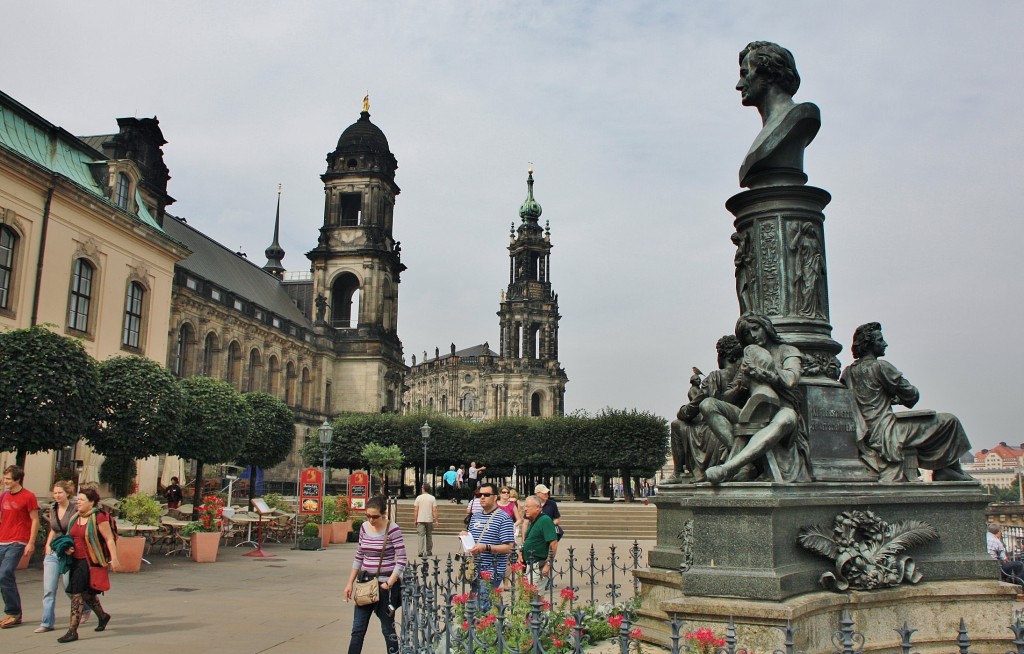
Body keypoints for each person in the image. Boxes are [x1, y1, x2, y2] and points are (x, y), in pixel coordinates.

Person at [840, 322, 972, 482]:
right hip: (886, 431)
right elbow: (912, 395)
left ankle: (947, 470)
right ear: (869, 344)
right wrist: (894, 396)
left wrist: (888, 396)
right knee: (950, 421)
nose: (885, 344)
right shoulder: (881, 367)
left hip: (865, 432)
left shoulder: (848, 372)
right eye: (880, 340)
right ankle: (948, 469)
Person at [701, 313, 811, 484]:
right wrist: (740, 386)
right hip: (753, 410)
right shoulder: (748, 357)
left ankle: (729, 467)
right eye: (746, 333)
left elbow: (791, 379)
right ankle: (749, 463)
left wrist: (767, 373)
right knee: (708, 405)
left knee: (786, 419)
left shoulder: (787, 351)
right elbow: (728, 397)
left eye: (755, 329)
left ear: (766, 327)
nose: (752, 335)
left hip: (782, 409)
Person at [735, 41, 821, 188]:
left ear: (769, 74)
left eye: (745, 74)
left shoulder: (803, 114)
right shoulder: (766, 134)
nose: (739, 85)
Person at [668, 335, 746, 483]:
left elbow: (691, 410)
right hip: (742, 424)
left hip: (714, 431)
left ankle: (678, 473)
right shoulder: (745, 374)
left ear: (723, 355)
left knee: (676, 425)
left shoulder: (714, 377)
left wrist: (681, 411)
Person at [344, 496, 406, 654]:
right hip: (365, 584)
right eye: (368, 516)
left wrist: (389, 583)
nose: (371, 520)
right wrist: (349, 583)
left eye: (375, 516)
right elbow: (359, 555)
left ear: (384, 513)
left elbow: (402, 559)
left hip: (385, 586)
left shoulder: (392, 529)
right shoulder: (364, 527)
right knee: (357, 629)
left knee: (388, 630)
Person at [60, 488, 117, 643]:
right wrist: (68, 548)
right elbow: (70, 537)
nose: (78, 502)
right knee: (87, 594)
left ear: (91, 502)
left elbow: (109, 539)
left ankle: (72, 631)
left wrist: (114, 559)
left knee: (76, 594)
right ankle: (103, 616)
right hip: (75, 560)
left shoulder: (98, 517)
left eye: (82, 500)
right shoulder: (75, 517)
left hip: (90, 560)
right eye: (78, 499)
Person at [37, 480, 90, 633]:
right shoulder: (53, 508)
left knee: (69, 587)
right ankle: (47, 622)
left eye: (60, 492)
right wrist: (47, 544)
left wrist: (71, 547)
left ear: (67, 493)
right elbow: (54, 528)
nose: (57, 495)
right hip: (53, 551)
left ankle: (85, 607)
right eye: (55, 493)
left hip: (68, 552)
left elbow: (77, 529)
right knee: (49, 589)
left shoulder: (75, 509)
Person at [460, 482, 514, 612]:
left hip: (492, 570)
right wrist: (466, 536)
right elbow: (474, 541)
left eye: (486, 494)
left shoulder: (503, 518)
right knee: (474, 604)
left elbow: (509, 547)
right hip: (475, 568)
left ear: (495, 497)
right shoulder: (475, 516)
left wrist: (486, 547)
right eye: (480, 495)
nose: (482, 497)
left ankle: (483, 629)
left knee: (482, 607)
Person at [0, 464, 40, 629]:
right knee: (3, 577)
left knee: (5, 573)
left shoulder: (28, 496)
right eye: (5, 478)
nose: (5, 481)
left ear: (17, 480)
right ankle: (14, 612)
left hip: (18, 541)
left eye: (8, 479)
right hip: (2, 540)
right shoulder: (3, 496)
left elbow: (35, 520)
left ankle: (13, 612)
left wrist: (31, 542)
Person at [521, 496, 558, 587]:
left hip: (538, 565)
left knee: (532, 595)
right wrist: (521, 551)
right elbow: (528, 540)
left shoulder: (545, 520)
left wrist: (548, 564)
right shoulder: (534, 521)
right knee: (528, 595)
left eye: (528, 507)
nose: (525, 509)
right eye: (525, 507)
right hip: (529, 564)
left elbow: (553, 543)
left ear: (538, 507)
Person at [412, 484, 438, 558]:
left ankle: (420, 551)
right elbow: (434, 510)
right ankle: (429, 551)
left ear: (423, 489)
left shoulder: (419, 498)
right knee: (429, 536)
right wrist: (436, 520)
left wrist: (415, 519)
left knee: (421, 536)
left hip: (420, 519)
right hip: (429, 519)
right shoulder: (432, 498)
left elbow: (416, 509)